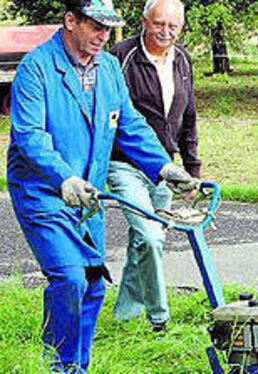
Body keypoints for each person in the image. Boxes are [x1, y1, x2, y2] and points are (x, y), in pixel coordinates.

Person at [6, 0, 197, 371]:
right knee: (70, 278)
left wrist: (164, 167)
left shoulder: (108, 67)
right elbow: (30, 138)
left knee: (94, 284)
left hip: (87, 194)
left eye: (108, 29)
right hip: (44, 192)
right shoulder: (37, 69)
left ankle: (79, 365)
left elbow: (129, 124)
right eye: (95, 26)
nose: (103, 36)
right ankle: (59, 366)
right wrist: (64, 178)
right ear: (70, 21)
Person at [107, 0, 198, 331]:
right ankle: (160, 320)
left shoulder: (183, 60)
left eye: (173, 26)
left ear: (181, 28)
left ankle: (125, 316)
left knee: (141, 242)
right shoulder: (119, 58)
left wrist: (192, 170)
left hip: (166, 168)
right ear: (144, 21)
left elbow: (189, 117)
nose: (166, 31)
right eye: (159, 24)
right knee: (150, 234)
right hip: (123, 165)